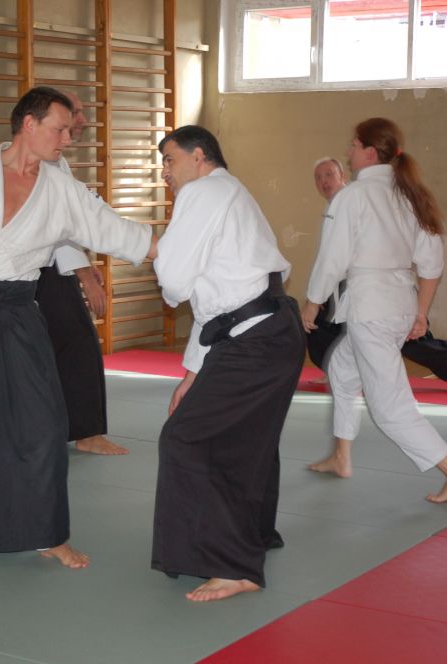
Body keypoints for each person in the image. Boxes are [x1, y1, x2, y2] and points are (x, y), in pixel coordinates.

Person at [0, 87, 157, 568]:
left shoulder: (61, 189)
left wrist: (183, 248)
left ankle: (47, 533)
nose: (68, 139)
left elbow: (113, 230)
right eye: (61, 129)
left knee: (43, 425)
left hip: (17, 311)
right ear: (29, 124)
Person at [150, 126, 305, 602]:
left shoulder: (202, 193)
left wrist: (158, 253)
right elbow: (212, 304)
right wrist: (192, 374)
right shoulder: (231, 193)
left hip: (255, 339)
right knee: (248, 441)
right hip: (269, 330)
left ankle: (234, 565)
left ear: (199, 157)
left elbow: (175, 281)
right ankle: (252, 535)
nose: (165, 172)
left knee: (186, 438)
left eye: (170, 161)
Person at [301, 118, 447, 504]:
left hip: (372, 311)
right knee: (342, 370)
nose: (348, 152)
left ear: (369, 152)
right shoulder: (409, 195)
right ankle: (341, 457)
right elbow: (431, 264)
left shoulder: (353, 197)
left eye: (352, 145)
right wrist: (420, 313)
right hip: (397, 304)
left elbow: (333, 259)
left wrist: (311, 305)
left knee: (390, 408)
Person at [306, 157, 447, 393]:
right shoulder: (336, 206)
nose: (324, 181)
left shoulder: (357, 198)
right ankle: (337, 372)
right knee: (320, 328)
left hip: (379, 286)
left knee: (413, 342)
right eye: (318, 177)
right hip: (348, 285)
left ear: (342, 176)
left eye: (329, 175)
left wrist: (316, 297)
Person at [36, 91, 127, 456]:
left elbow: (69, 223)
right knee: (77, 343)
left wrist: (85, 268)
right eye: (77, 112)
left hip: (48, 266)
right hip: (35, 270)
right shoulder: (41, 161)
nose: (83, 120)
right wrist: (86, 277)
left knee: (64, 345)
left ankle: (69, 428)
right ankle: (86, 433)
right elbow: (60, 226)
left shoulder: (55, 161)